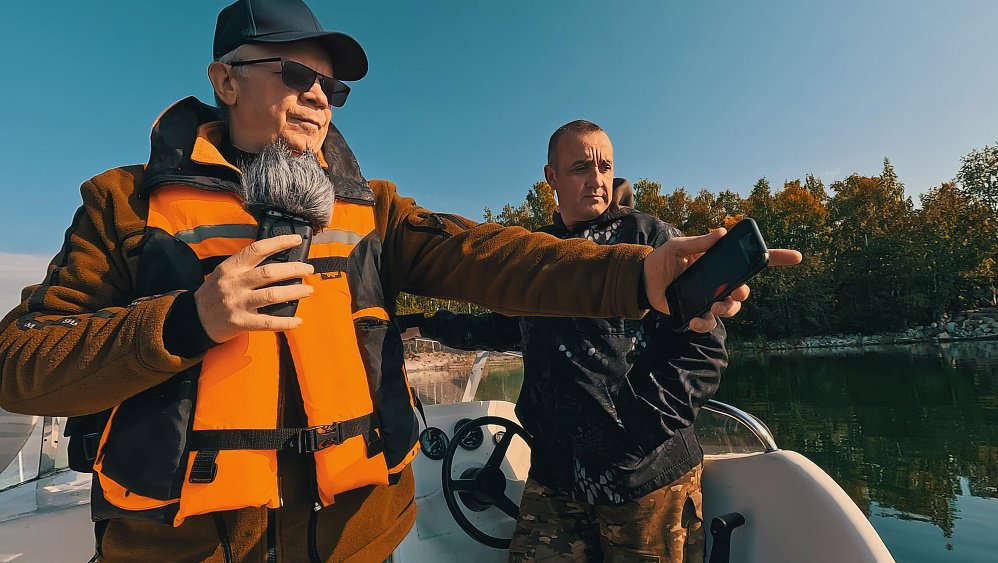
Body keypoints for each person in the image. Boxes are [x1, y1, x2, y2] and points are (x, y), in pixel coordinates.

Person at [0, 2, 800, 562]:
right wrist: (186, 321)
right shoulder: (122, 203)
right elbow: (22, 363)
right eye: (295, 73)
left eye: (332, 87)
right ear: (226, 79)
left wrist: (640, 274)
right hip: (181, 550)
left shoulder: (373, 210)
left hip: (353, 542)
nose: (319, 96)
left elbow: (499, 259)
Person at [411, 120, 725, 562]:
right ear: (551, 178)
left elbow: (705, 353)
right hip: (556, 475)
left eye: (605, 167)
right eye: (581, 167)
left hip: (646, 478)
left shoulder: (652, 241)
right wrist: (423, 326)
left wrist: (634, 436)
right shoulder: (539, 254)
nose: (597, 180)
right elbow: (502, 326)